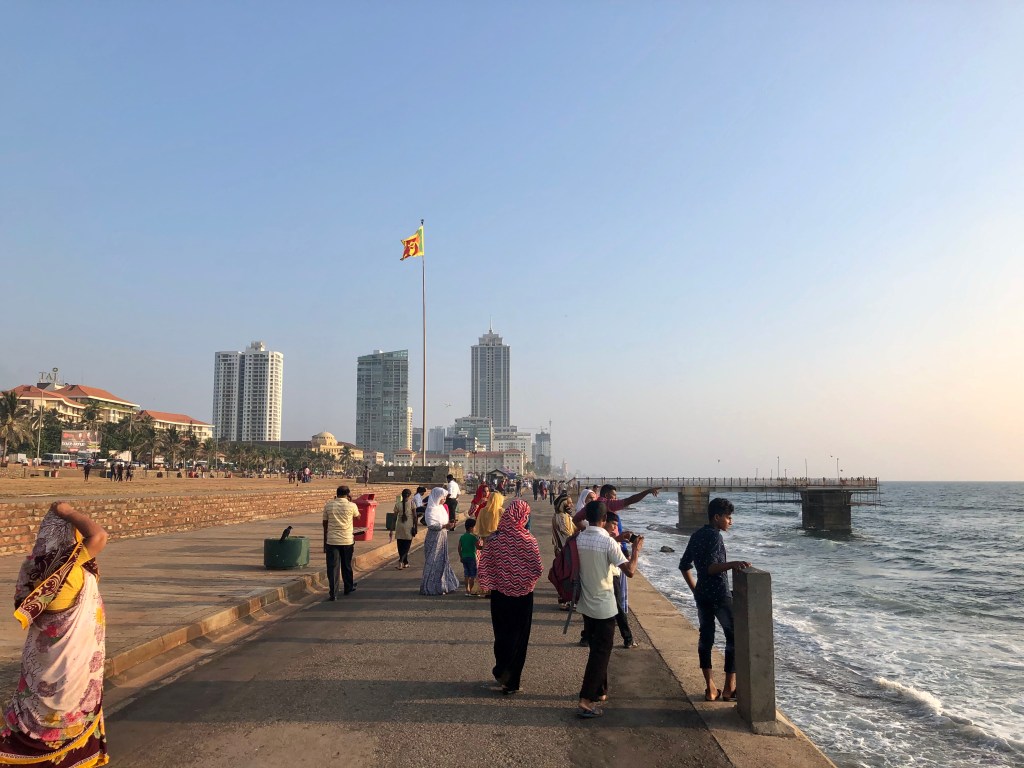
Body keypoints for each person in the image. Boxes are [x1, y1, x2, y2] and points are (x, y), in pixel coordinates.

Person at [0, 501, 109, 766]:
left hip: (44, 656)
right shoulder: (66, 566)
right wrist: (68, 513)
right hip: (71, 660)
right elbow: (99, 535)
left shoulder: (34, 567)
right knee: (69, 707)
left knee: (37, 707)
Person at [678, 497, 751, 702]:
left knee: (706, 638)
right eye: (728, 517)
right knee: (733, 637)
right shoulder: (715, 537)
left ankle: (710, 688)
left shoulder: (696, 535)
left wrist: (696, 590)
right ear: (717, 517)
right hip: (719, 594)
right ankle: (729, 688)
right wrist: (732, 564)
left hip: (702, 595)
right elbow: (711, 568)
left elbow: (684, 565)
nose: (731, 522)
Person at [575, 500, 642, 718]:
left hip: (586, 602)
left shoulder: (581, 537)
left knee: (596, 649)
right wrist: (636, 550)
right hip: (604, 606)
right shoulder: (607, 543)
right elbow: (630, 570)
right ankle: (586, 700)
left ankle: (599, 691)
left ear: (588, 517)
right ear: (604, 520)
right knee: (601, 654)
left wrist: (617, 539)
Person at [477, 499, 543, 695]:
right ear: (522, 517)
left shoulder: (494, 540)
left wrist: (493, 582)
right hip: (523, 596)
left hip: (499, 595)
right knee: (519, 637)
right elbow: (537, 568)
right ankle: (511, 681)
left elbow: (484, 566)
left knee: (502, 634)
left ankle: (501, 669)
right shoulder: (529, 540)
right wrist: (524, 581)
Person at [419, 488, 459, 596]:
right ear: (437, 497)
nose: (444, 500)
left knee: (442, 560)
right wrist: (444, 526)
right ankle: (431, 587)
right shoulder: (431, 509)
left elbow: (444, 521)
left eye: (445, 498)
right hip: (434, 537)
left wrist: (450, 524)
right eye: (442, 497)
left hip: (442, 536)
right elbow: (431, 525)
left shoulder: (441, 508)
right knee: (433, 561)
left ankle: (443, 585)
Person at [322, 486, 358, 600]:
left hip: (332, 540)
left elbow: (325, 523)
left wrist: (325, 540)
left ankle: (333, 593)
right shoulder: (352, 505)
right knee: (346, 565)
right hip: (347, 540)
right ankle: (348, 587)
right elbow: (358, 517)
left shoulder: (329, 505)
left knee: (333, 568)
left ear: (336, 494)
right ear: (348, 494)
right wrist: (350, 501)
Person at [573, 484, 661, 528]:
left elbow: (575, 519)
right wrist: (647, 491)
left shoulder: (590, 506)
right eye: (614, 495)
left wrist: (585, 530)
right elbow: (630, 500)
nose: (616, 498)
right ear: (607, 495)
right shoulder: (609, 504)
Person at [551, 492, 578, 609]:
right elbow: (568, 534)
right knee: (566, 576)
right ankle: (565, 601)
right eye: (569, 503)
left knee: (564, 575)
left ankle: (565, 600)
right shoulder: (562, 517)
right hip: (565, 550)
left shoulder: (560, 515)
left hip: (561, 549)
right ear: (563, 504)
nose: (571, 505)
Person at [390, 488, 418, 569]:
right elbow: (415, 517)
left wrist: (391, 529)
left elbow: (394, 518)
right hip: (408, 527)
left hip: (399, 526)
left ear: (402, 495)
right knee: (407, 546)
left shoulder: (397, 504)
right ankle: (401, 561)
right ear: (409, 495)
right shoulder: (412, 503)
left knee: (400, 545)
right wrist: (415, 527)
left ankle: (405, 562)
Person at [458, 518, 480, 595]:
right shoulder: (473, 537)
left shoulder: (462, 537)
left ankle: (467, 590)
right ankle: (470, 590)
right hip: (472, 557)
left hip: (464, 557)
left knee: (466, 574)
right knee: (472, 575)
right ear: (471, 528)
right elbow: (478, 547)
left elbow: (459, 548)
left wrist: (461, 556)